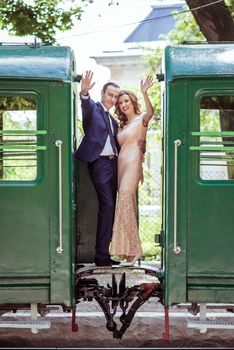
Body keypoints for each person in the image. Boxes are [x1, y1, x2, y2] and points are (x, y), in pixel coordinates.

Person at [74, 71, 145, 267]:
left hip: (116, 165)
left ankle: (108, 251)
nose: (113, 99)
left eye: (116, 96)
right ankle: (101, 255)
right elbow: (85, 106)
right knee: (108, 206)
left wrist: (141, 147)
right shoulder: (94, 110)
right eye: (110, 95)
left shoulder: (114, 122)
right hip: (100, 163)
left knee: (112, 207)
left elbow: (127, 140)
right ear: (103, 95)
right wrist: (84, 92)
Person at [110, 76, 154, 266]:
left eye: (126, 101)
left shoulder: (141, 119)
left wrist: (145, 92)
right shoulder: (121, 125)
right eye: (120, 103)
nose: (123, 105)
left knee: (125, 201)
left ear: (132, 101)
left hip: (134, 163)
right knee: (124, 206)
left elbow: (151, 113)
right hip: (121, 165)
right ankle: (126, 252)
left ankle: (135, 250)